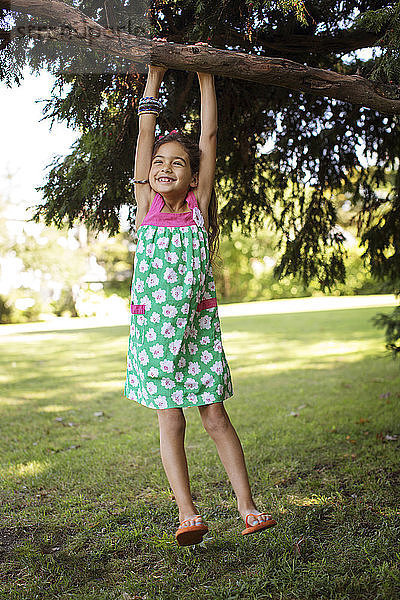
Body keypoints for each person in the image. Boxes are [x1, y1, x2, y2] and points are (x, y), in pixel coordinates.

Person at [124, 44, 277, 546]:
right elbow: (146, 134)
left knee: (214, 416)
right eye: (161, 163)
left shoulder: (199, 207)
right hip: (151, 335)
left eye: (178, 164)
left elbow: (209, 137)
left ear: (193, 175)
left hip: (197, 333)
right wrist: (154, 75)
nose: (166, 168)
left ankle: (248, 507)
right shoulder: (145, 201)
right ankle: (187, 514)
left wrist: (207, 76)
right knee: (171, 420)